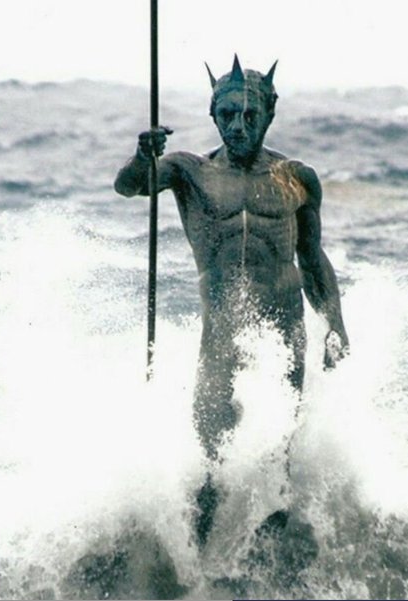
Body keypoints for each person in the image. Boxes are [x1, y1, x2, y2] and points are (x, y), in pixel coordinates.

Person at [115, 55, 348, 542]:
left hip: (284, 334)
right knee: (210, 467)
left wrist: (335, 326)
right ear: (212, 114)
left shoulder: (295, 177)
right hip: (220, 336)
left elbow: (313, 259)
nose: (238, 126)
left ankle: (274, 571)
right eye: (227, 116)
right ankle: (195, 572)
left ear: (269, 114)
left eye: (249, 115)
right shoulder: (189, 172)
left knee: (280, 459)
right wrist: (144, 154)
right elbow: (130, 186)